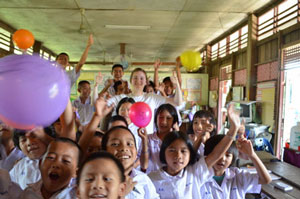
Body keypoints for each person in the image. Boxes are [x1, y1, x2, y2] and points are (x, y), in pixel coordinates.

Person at [148, 104, 241, 198]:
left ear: (189, 154)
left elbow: (216, 155)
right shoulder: (151, 179)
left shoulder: (194, 172)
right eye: (172, 150)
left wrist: (233, 130)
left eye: (183, 151)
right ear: (163, 152)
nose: (178, 156)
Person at [107, 67, 183, 134]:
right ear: (130, 81)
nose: (138, 81)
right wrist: (97, 86)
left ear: (146, 82)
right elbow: (98, 105)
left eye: (141, 78)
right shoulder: (122, 98)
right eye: (135, 78)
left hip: (147, 143)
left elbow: (177, 103)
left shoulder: (151, 98)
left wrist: (177, 85)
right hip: (127, 142)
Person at [201, 134, 272, 198]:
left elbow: (266, 180)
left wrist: (252, 155)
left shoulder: (238, 175)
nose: (223, 159)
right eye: (219, 154)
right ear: (208, 155)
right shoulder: (199, 178)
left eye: (228, 155)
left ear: (233, 158)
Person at [101, 126, 160, 199]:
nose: (124, 148)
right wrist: (121, 195)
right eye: (115, 144)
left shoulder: (142, 179)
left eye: (129, 144)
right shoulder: (99, 181)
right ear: (104, 152)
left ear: (136, 152)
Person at [147, 103, 179, 173]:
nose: (164, 122)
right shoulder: (148, 139)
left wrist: (178, 134)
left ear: (174, 122)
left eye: (168, 118)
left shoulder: (177, 140)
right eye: (161, 117)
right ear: (156, 119)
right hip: (152, 178)